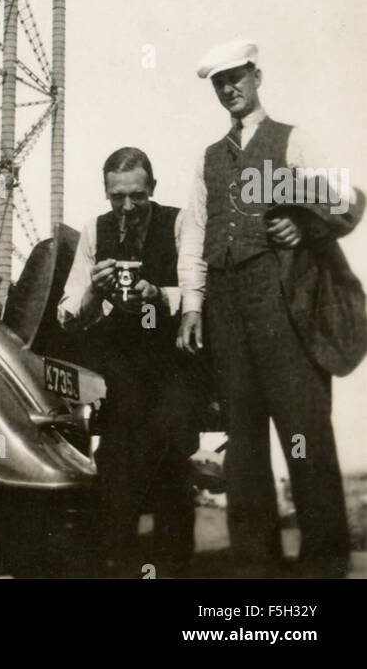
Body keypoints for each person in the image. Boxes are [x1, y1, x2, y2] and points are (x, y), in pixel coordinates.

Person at [177, 38, 364, 579]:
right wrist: (192, 308)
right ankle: (254, 566)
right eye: (219, 83)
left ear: (256, 76)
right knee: (245, 443)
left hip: (284, 305)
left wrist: (304, 222)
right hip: (227, 311)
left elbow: (346, 200)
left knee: (304, 433)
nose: (229, 89)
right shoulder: (210, 158)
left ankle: (325, 564)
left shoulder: (292, 141)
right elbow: (194, 236)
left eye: (237, 77)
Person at [58, 146, 202, 577]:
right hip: (117, 359)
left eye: (136, 196)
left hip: (167, 355)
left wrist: (158, 295)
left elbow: (198, 288)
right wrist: (92, 294)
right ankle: (118, 563)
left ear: (152, 189)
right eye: (117, 197)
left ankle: (172, 565)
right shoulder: (93, 230)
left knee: (173, 447)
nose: (126, 207)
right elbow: (67, 314)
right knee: (119, 454)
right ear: (106, 193)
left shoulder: (178, 222)